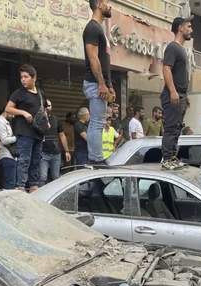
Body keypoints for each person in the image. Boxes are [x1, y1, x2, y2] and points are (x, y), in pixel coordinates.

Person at [83, 0, 115, 164]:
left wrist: (109, 85)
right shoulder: (92, 28)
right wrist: (102, 84)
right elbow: (93, 58)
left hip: (100, 83)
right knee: (96, 123)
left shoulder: (99, 29)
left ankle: (96, 158)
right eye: (107, 2)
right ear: (99, 4)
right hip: (95, 83)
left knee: (98, 122)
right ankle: (96, 160)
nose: (110, 6)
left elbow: (104, 61)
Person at [5, 64, 44, 192]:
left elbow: (43, 109)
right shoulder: (19, 93)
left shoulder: (40, 93)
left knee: (36, 161)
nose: (23, 80)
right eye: (21, 77)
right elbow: (8, 109)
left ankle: (33, 185)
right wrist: (23, 113)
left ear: (34, 78)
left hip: (38, 132)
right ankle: (20, 186)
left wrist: (46, 121)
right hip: (24, 132)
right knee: (24, 160)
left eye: (26, 77)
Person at [160, 16, 192, 170]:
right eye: (188, 26)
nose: (191, 30)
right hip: (173, 95)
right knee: (171, 128)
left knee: (177, 128)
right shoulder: (173, 47)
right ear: (180, 28)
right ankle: (167, 159)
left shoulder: (181, 49)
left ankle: (173, 157)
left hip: (181, 95)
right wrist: (173, 91)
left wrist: (185, 96)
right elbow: (166, 69)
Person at [40, 100, 71, 185]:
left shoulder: (56, 119)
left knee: (56, 178)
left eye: (49, 105)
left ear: (51, 107)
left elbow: (62, 135)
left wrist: (67, 151)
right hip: (43, 154)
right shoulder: (38, 119)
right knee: (42, 177)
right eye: (46, 106)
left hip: (56, 154)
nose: (47, 107)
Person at [0, 111, 18, 189]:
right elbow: (4, 140)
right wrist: (17, 137)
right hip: (6, 156)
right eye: (12, 114)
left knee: (9, 184)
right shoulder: (0, 122)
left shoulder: (4, 122)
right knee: (9, 186)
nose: (13, 116)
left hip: (8, 155)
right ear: (6, 111)